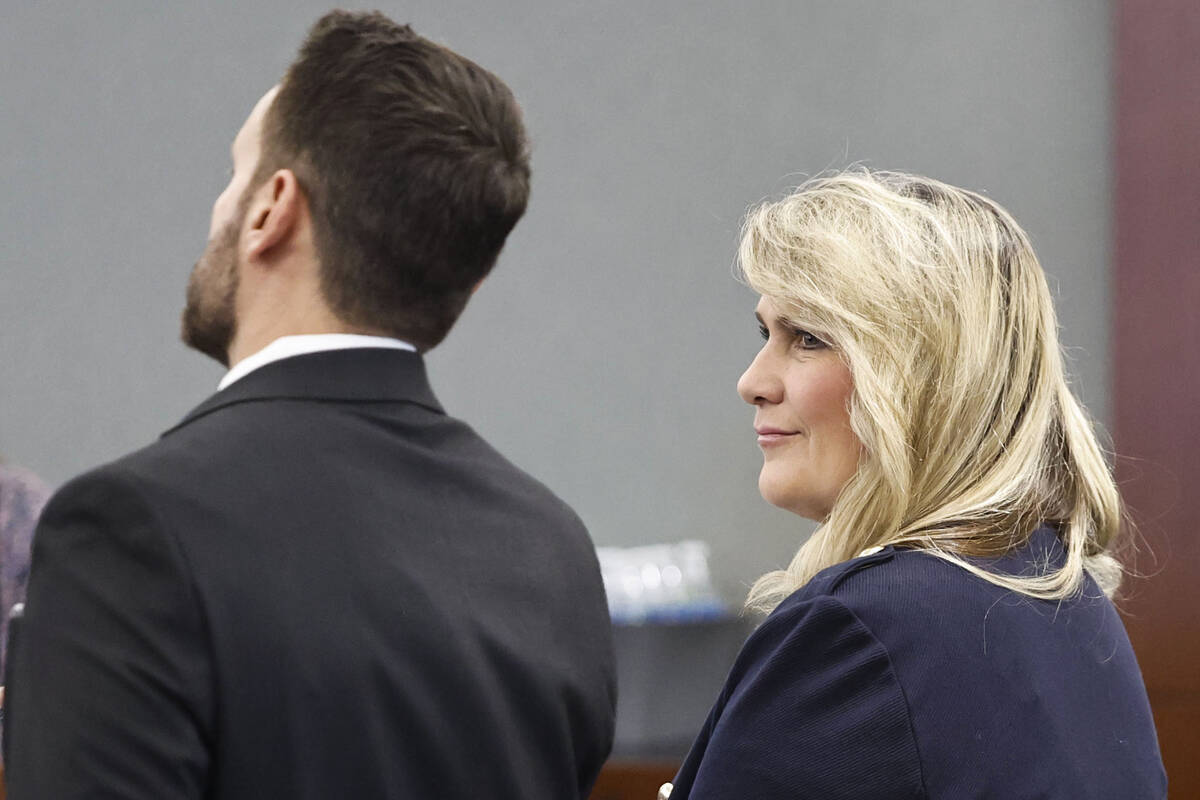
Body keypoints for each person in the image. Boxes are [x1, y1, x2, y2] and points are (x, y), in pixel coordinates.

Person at [4, 11, 616, 799]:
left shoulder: (129, 533)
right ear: (470, 280)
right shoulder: (550, 548)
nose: (220, 206)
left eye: (235, 174)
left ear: (273, 209)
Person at [662, 170, 1166, 799]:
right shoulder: (1064, 595)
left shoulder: (858, 632)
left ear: (921, 375)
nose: (754, 381)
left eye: (809, 338)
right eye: (767, 334)